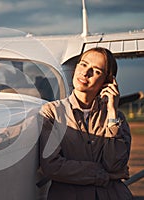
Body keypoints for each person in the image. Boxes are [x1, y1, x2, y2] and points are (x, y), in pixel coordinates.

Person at [39, 47, 132, 200]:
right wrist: (101, 174)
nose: (85, 72)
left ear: (108, 82)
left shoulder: (116, 118)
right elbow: (52, 166)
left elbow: (115, 165)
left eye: (96, 71)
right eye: (83, 64)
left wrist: (112, 112)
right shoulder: (51, 112)